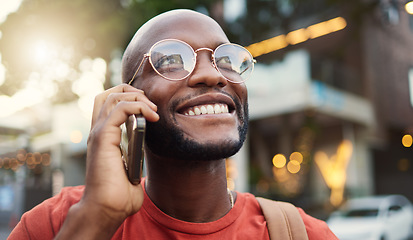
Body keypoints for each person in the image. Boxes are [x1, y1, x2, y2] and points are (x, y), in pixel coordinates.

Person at [8, 9, 338, 239]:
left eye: (225, 60)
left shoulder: (306, 234)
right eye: (171, 60)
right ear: (128, 101)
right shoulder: (52, 224)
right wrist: (96, 219)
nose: (212, 74)